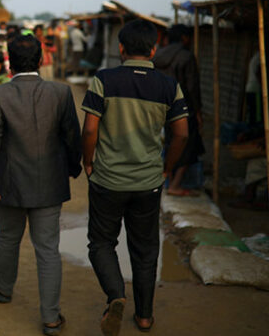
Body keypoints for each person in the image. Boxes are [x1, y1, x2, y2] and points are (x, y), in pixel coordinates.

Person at [80, 20, 188, 336]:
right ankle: (144, 317)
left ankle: (116, 295)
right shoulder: (169, 86)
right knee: (144, 250)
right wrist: (166, 168)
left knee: (101, 243)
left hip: (107, 180)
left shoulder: (104, 80)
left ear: (121, 49)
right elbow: (180, 135)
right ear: (153, 49)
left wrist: (89, 162)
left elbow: (89, 129)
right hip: (148, 183)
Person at [0, 34, 82, 336]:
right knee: (48, 249)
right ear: (40, 60)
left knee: (8, 238)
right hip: (50, 184)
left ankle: (3, 289)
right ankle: (50, 318)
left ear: (9, 63)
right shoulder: (61, 93)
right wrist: (73, 168)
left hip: (9, 185)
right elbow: (72, 137)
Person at [153, 24, 205, 196]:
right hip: (183, 107)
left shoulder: (157, 55)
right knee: (186, 142)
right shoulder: (186, 57)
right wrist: (198, 111)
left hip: (159, 106)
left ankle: (166, 179)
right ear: (184, 38)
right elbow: (192, 87)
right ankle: (174, 184)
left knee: (168, 141)